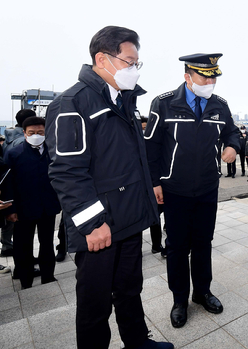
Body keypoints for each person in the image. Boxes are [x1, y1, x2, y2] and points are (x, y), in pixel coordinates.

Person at [45, 26, 173, 349]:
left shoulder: (124, 101)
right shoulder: (73, 103)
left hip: (128, 220)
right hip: (99, 230)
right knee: (95, 304)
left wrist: (149, 196)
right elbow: (66, 171)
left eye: (137, 64)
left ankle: (137, 341)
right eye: (129, 62)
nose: (134, 69)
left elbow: (132, 161)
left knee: (130, 288)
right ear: (102, 59)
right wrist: (91, 224)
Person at [144, 53, 239, 328]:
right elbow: (151, 147)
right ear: (187, 77)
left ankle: (202, 292)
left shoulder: (220, 106)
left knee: (203, 243)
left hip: (208, 187)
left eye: (214, 77)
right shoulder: (163, 104)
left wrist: (232, 146)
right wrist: (154, 182)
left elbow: (232, 133)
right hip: (174, 189)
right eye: (205, 76)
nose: (210, 82)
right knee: (175, 247)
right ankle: (179, 300)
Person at [2, 117, 61, 289]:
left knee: (47, 243)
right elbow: (8, 184)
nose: (36, 135)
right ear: (24, 133)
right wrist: (10, 209)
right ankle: (26, 281)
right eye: (32, 133)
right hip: (22, 209)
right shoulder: (14, 153)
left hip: (48, 207)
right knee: (23, 246)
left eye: (40, 133)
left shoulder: (53, 152)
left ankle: (48, 276)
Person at [1, 109, 36, 259]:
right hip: (23, 191)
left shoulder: (7, 139)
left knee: (10, 223)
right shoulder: (23, 142)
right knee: (23, 232)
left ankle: (7, 246)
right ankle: (24, 263)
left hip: (8, 189)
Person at [141, 117, 166, 256]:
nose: (144, 131)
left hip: (156, 185)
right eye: (142, 128)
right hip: (141, 187)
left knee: (157, 216)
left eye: (146, 128)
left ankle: (157, 245)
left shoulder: (156, 143)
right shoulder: (134, 143)